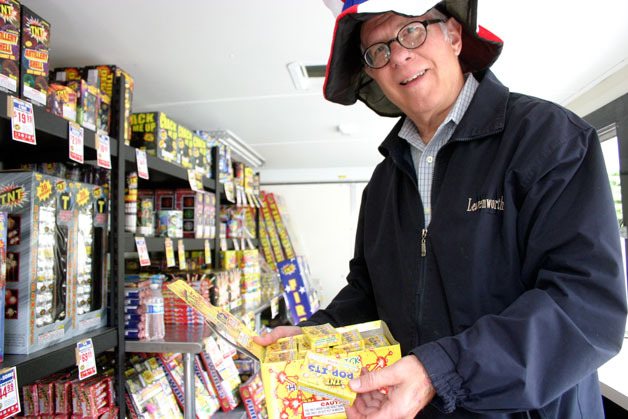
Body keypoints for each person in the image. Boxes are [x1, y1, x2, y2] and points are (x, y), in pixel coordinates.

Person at [255, 0, 628, 417]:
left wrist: (440, 371)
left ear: (453, 35)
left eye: (411, 31)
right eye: (377, 51)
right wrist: (313, 337)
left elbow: (585, 305)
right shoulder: (383, 184)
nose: (398, 56)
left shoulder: (550, 139)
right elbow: (367, 293)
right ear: (372, 74)